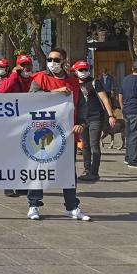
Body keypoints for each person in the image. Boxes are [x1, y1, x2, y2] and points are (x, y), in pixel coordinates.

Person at [26, 47, 90, 221]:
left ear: (64, 61)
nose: (52, 63)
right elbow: (31, 98)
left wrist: (81, 124)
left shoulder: (73, 82)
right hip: (42, 132)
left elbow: (81, 106)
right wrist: (55, 92)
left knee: (68, 172)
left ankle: (72, 207)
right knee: (39, 168)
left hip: (67, 134)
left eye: (56, 59)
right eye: (50, 59)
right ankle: (34, 204)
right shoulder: (40, 78)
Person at [71, 60, 117, 182]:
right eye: (81, 70)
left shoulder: (94, 82)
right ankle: (87, 169)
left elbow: (105, 99)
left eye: (86, 69)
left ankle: (94, 172)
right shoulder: (73, 83)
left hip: (95, 118)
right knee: (85, 145)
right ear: (75, 71)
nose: (83, 72)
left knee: (94, 144)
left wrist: (111, 115)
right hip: (81, 120)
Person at [0, 54, 34, 197]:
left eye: (28, 65)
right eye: (22, 65)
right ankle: (8, 185)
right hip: (11, 124)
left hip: (26, 123)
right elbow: (1, 91)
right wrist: (14, 75)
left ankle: (21, 184)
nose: (26, 68)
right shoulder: (11, 79)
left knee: (24, 155)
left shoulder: (33, 80)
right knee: (10, 155)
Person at [120, 60, 137, 169]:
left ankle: (128, 157)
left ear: (132, 68)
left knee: (129, 135)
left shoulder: (125, 79)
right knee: (136, 135)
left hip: (127, 111)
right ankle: (133, 160)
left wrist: (122, 108)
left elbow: (120, 94)